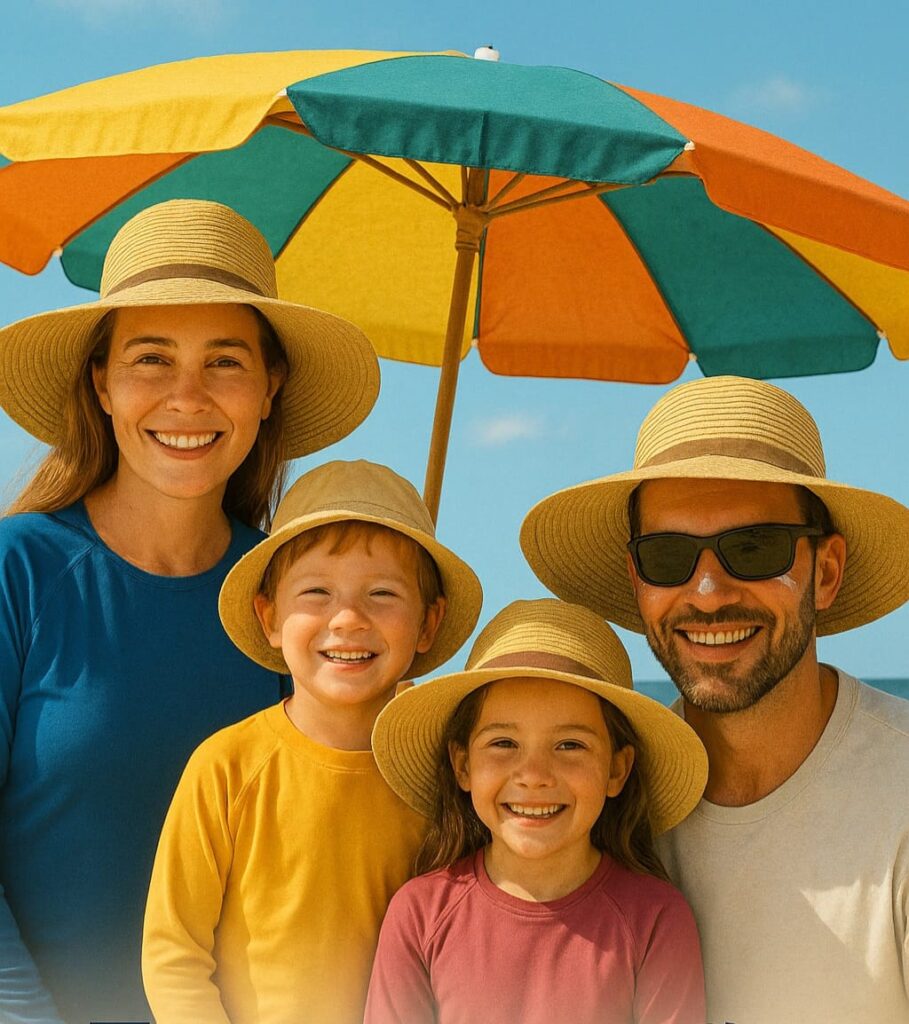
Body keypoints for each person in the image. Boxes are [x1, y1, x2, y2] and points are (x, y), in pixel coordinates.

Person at [0, 199, 380, 1024]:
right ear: (100, 382)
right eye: (150, 358)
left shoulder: (305, 617)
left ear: (269, 387)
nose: (187, 396)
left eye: (225, 362)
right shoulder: (19, 570)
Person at [521, 375, 909, 1024]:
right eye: (667, 555)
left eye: (752, 548)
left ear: (826, 572)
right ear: (636, 581)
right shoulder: (590, 806)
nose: (705, 591)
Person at [142, 459, 482, 1024]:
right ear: (269, 616)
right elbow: (172, 954)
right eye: (317, 592)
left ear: (428, 622)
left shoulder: (442, 781)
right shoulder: (225, 766)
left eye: (383, 594)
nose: (348, 619)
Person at [364, 598, 708, 1024]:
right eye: (504, 744)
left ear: (617, 769)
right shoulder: (418, 914)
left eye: (570, 745)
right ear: (463, 765)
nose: (534, 775)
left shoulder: (657, 920)